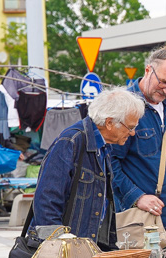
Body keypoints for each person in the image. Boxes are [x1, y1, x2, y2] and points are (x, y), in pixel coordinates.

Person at [30, 88, 144, 249]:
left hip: (87, 251)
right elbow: (46, 202)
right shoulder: (71, 142)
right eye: (130, 127)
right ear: (109, 122)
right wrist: (59, 250)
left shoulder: (103, 147)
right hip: (66, 253)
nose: (132, 133)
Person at [111, 42, 166, 247]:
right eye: (163, 82)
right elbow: (108, 162)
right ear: (148, 70)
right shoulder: (125, 106)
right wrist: (137, 197)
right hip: (143, 220)